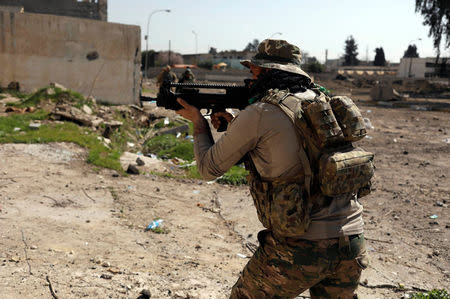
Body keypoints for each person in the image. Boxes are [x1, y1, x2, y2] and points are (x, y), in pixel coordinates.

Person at [175, 39, 368, 299]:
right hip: (352, 244)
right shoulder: (323, 102)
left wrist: (198, 122)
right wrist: (237, 128)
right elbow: (292, 151)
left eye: (254, 73)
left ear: (266, 73)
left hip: (302, 246)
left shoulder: (261, 112)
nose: (250, 80)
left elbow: (208, 169)